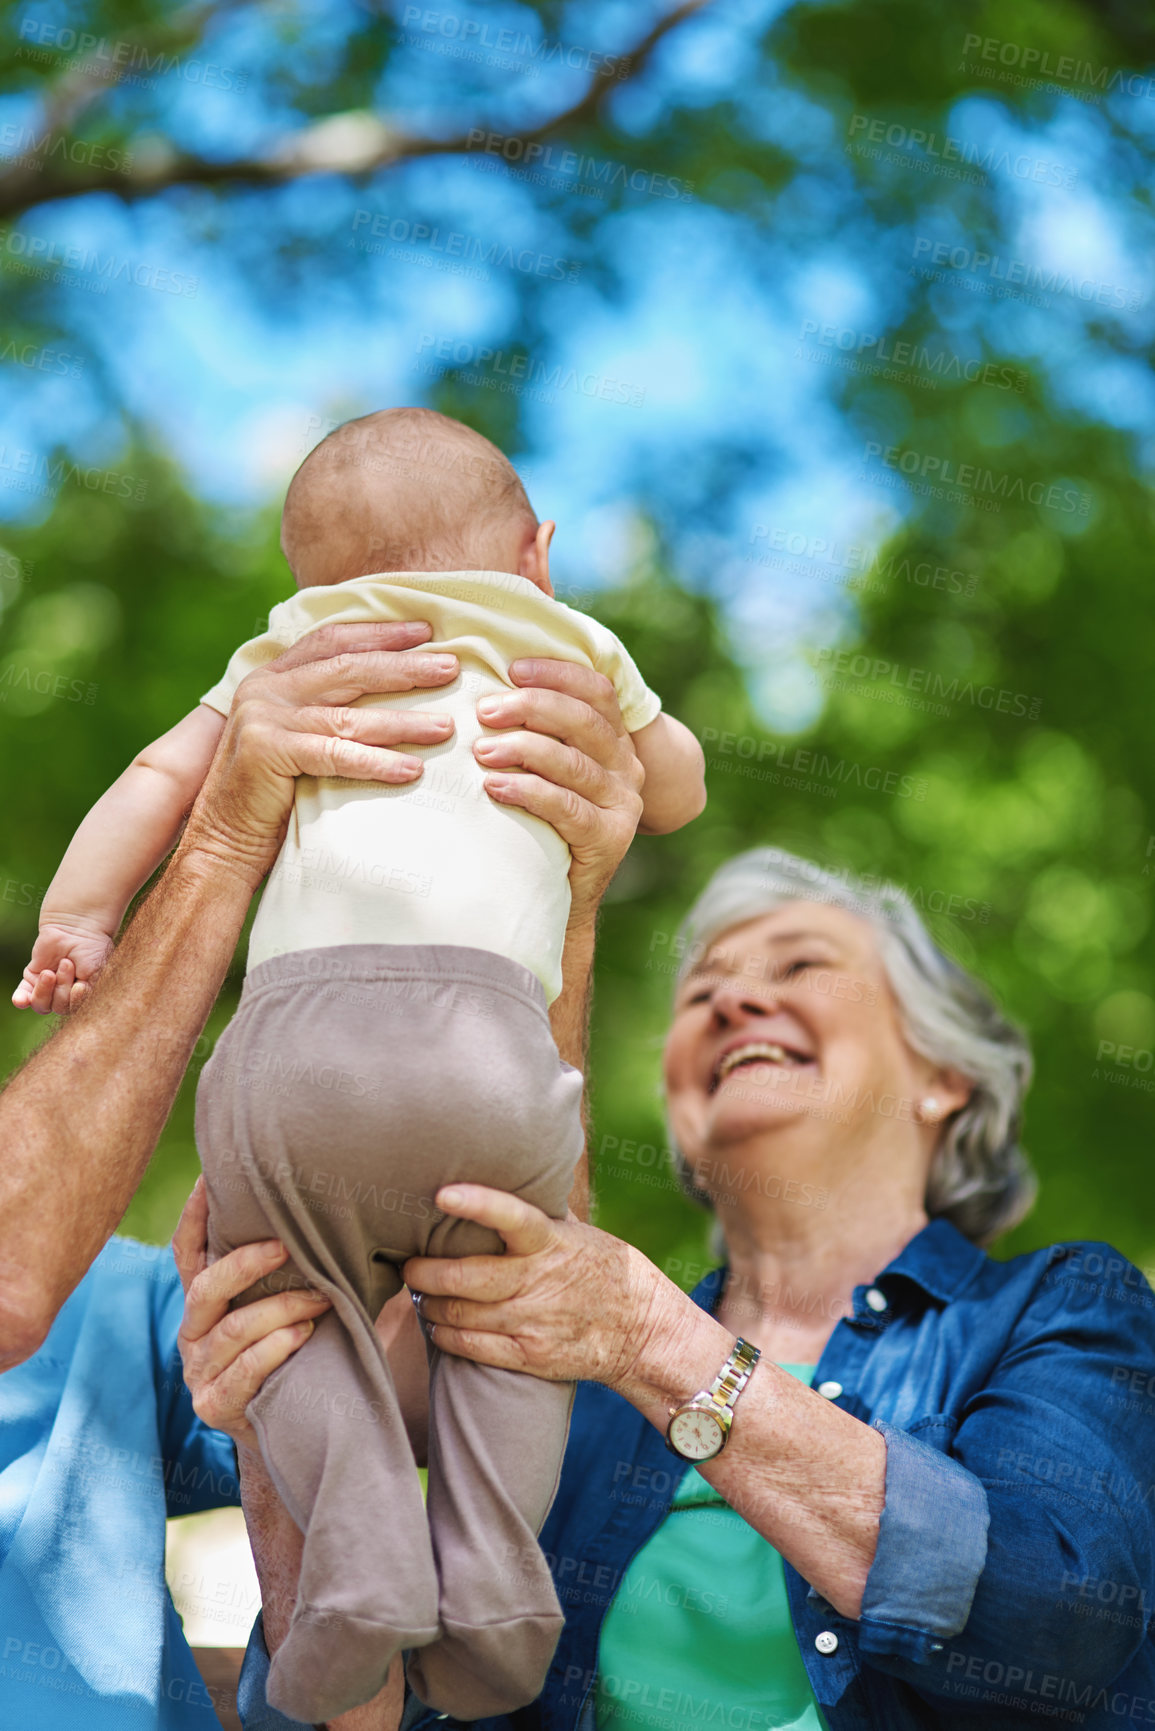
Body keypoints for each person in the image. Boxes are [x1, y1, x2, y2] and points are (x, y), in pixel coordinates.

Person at [13, 406, 706, 1726]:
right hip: (494, 1049)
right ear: (536, 548)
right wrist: (615, 765)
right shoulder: (564, 641)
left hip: (295, 1053)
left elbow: (161, 776)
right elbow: (664, 784)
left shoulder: (293, 651)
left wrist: (80, 917)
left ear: (304, 575)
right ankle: (499, 1577)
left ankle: (362, 1551)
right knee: (511, 1300)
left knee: (271, 1301)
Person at [399, 847, 1155, 1731]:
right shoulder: (577, 1380)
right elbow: (359, 1693)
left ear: (942, 1076)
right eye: (699, 993)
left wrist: (654, 1341)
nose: (730, 1001)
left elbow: (1055, 1619)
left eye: (801, 967)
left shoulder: (1061, 1305)